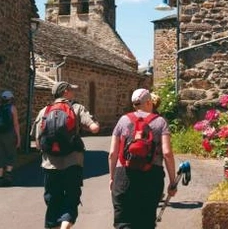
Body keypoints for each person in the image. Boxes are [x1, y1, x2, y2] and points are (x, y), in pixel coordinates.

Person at [33, 81, 100, 229]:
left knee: (52, 199)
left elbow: (38, 143)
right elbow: (94, 128)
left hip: (50, 164)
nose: (73, 92)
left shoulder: (44, 111)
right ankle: (65, 226)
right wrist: (88, 125)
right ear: (65, 92)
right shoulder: (76, 108)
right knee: (71, 199)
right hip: (72, 162)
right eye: (71, 89)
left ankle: (53, 225)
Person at [109, 88, 177, 229]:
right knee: (145, 222)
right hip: (151, 176)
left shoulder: (123, 120)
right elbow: (167, 153)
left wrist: (112, 177)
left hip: (124, 176)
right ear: (148, 102)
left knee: (123, 222)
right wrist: (172, 181)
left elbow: (112, 153)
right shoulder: (160, 122)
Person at [0, 90, 20, 186]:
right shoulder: (12, 108)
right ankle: (7, 177)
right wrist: (18, 138)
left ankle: (0, 178)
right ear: (11, 99)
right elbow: (16, 124)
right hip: (9, 134)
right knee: (10, 154)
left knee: (1, 155)